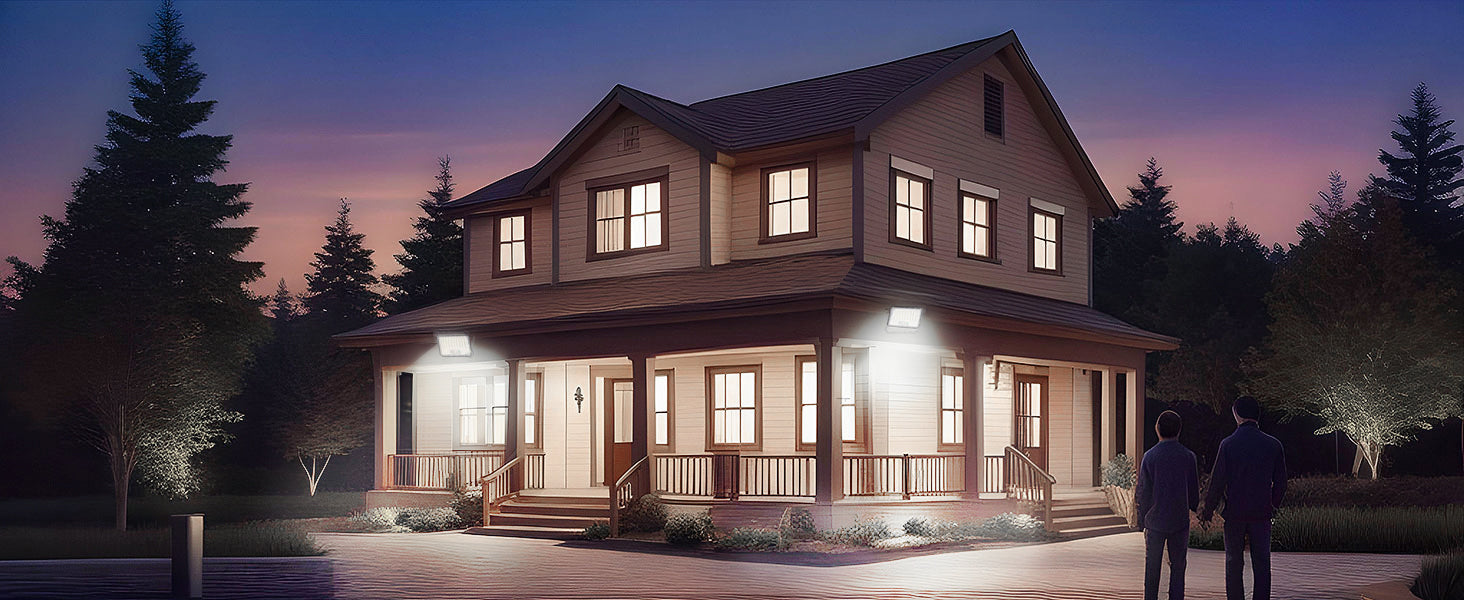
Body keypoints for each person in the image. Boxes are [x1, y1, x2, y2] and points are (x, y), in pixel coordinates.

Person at [1200, 396, 1288, 600]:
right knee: (1262, 564)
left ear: (1236, 415)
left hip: (1235, 513)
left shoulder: (1228, 444)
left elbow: (1217, 482)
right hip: (1261, 513)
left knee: (1233, 563)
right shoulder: (1273, 445)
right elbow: (1282, 483)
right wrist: (1272, 504)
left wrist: (1207, 511)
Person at [1136, 410, 1199, 600]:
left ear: (1158, 429)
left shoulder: (1150, 456)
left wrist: (1142, 519)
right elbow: (1193, 489)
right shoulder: (1188, 456)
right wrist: (1193, 508)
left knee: (1152, 567)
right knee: (1178, 567)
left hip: (1155, 520)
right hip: (1179, 519)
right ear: (1179, 430)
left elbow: (1143, 491)